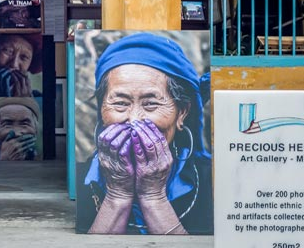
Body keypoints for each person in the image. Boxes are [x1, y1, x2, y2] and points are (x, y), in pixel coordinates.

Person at [83, 33, 212, 235]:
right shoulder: (83, 182)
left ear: (181, 113)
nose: (134, 119)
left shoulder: (212, 181)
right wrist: (118, 194)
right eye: (120, 103)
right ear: (101, 111)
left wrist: (153, 195)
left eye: (151, 104)